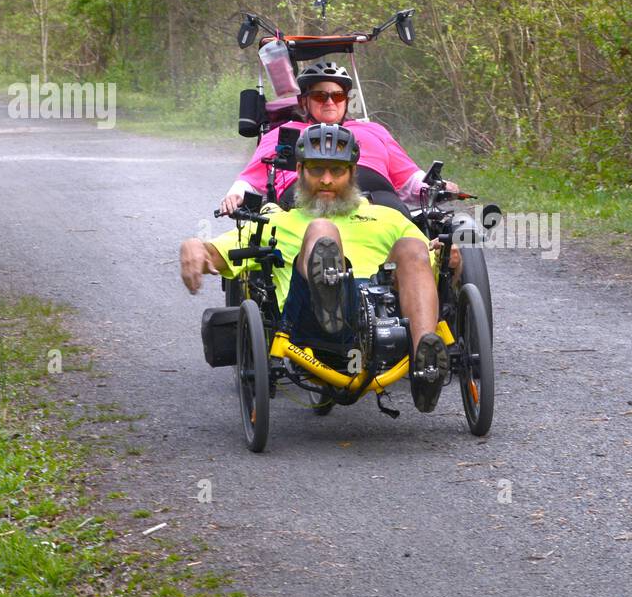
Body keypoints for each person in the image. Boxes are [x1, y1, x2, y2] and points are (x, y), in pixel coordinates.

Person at [182, 123, 458, 411]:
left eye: (337, 171)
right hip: (308, 319)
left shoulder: (387, 218)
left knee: (413, 246)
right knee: (322, 230)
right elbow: (212, 254)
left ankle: (425, 363)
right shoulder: (278, 222)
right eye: (316, 170)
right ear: (300, 171)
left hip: (383, 312)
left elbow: (430, 262)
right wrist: (192, 246)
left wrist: (451, 256)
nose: (326, 180)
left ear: (352, 173)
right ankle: (332, 301)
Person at [217, 59, 459, 216]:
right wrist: (236, 194)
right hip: (306, 198)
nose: (331, 102)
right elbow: (250, 179)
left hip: (376, 196)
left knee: (415, 235)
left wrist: (436, 185)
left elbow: (409, 179)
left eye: (338, 96)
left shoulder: (374, 131)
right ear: (304, 101)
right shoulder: (284, 132)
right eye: (321, 96)